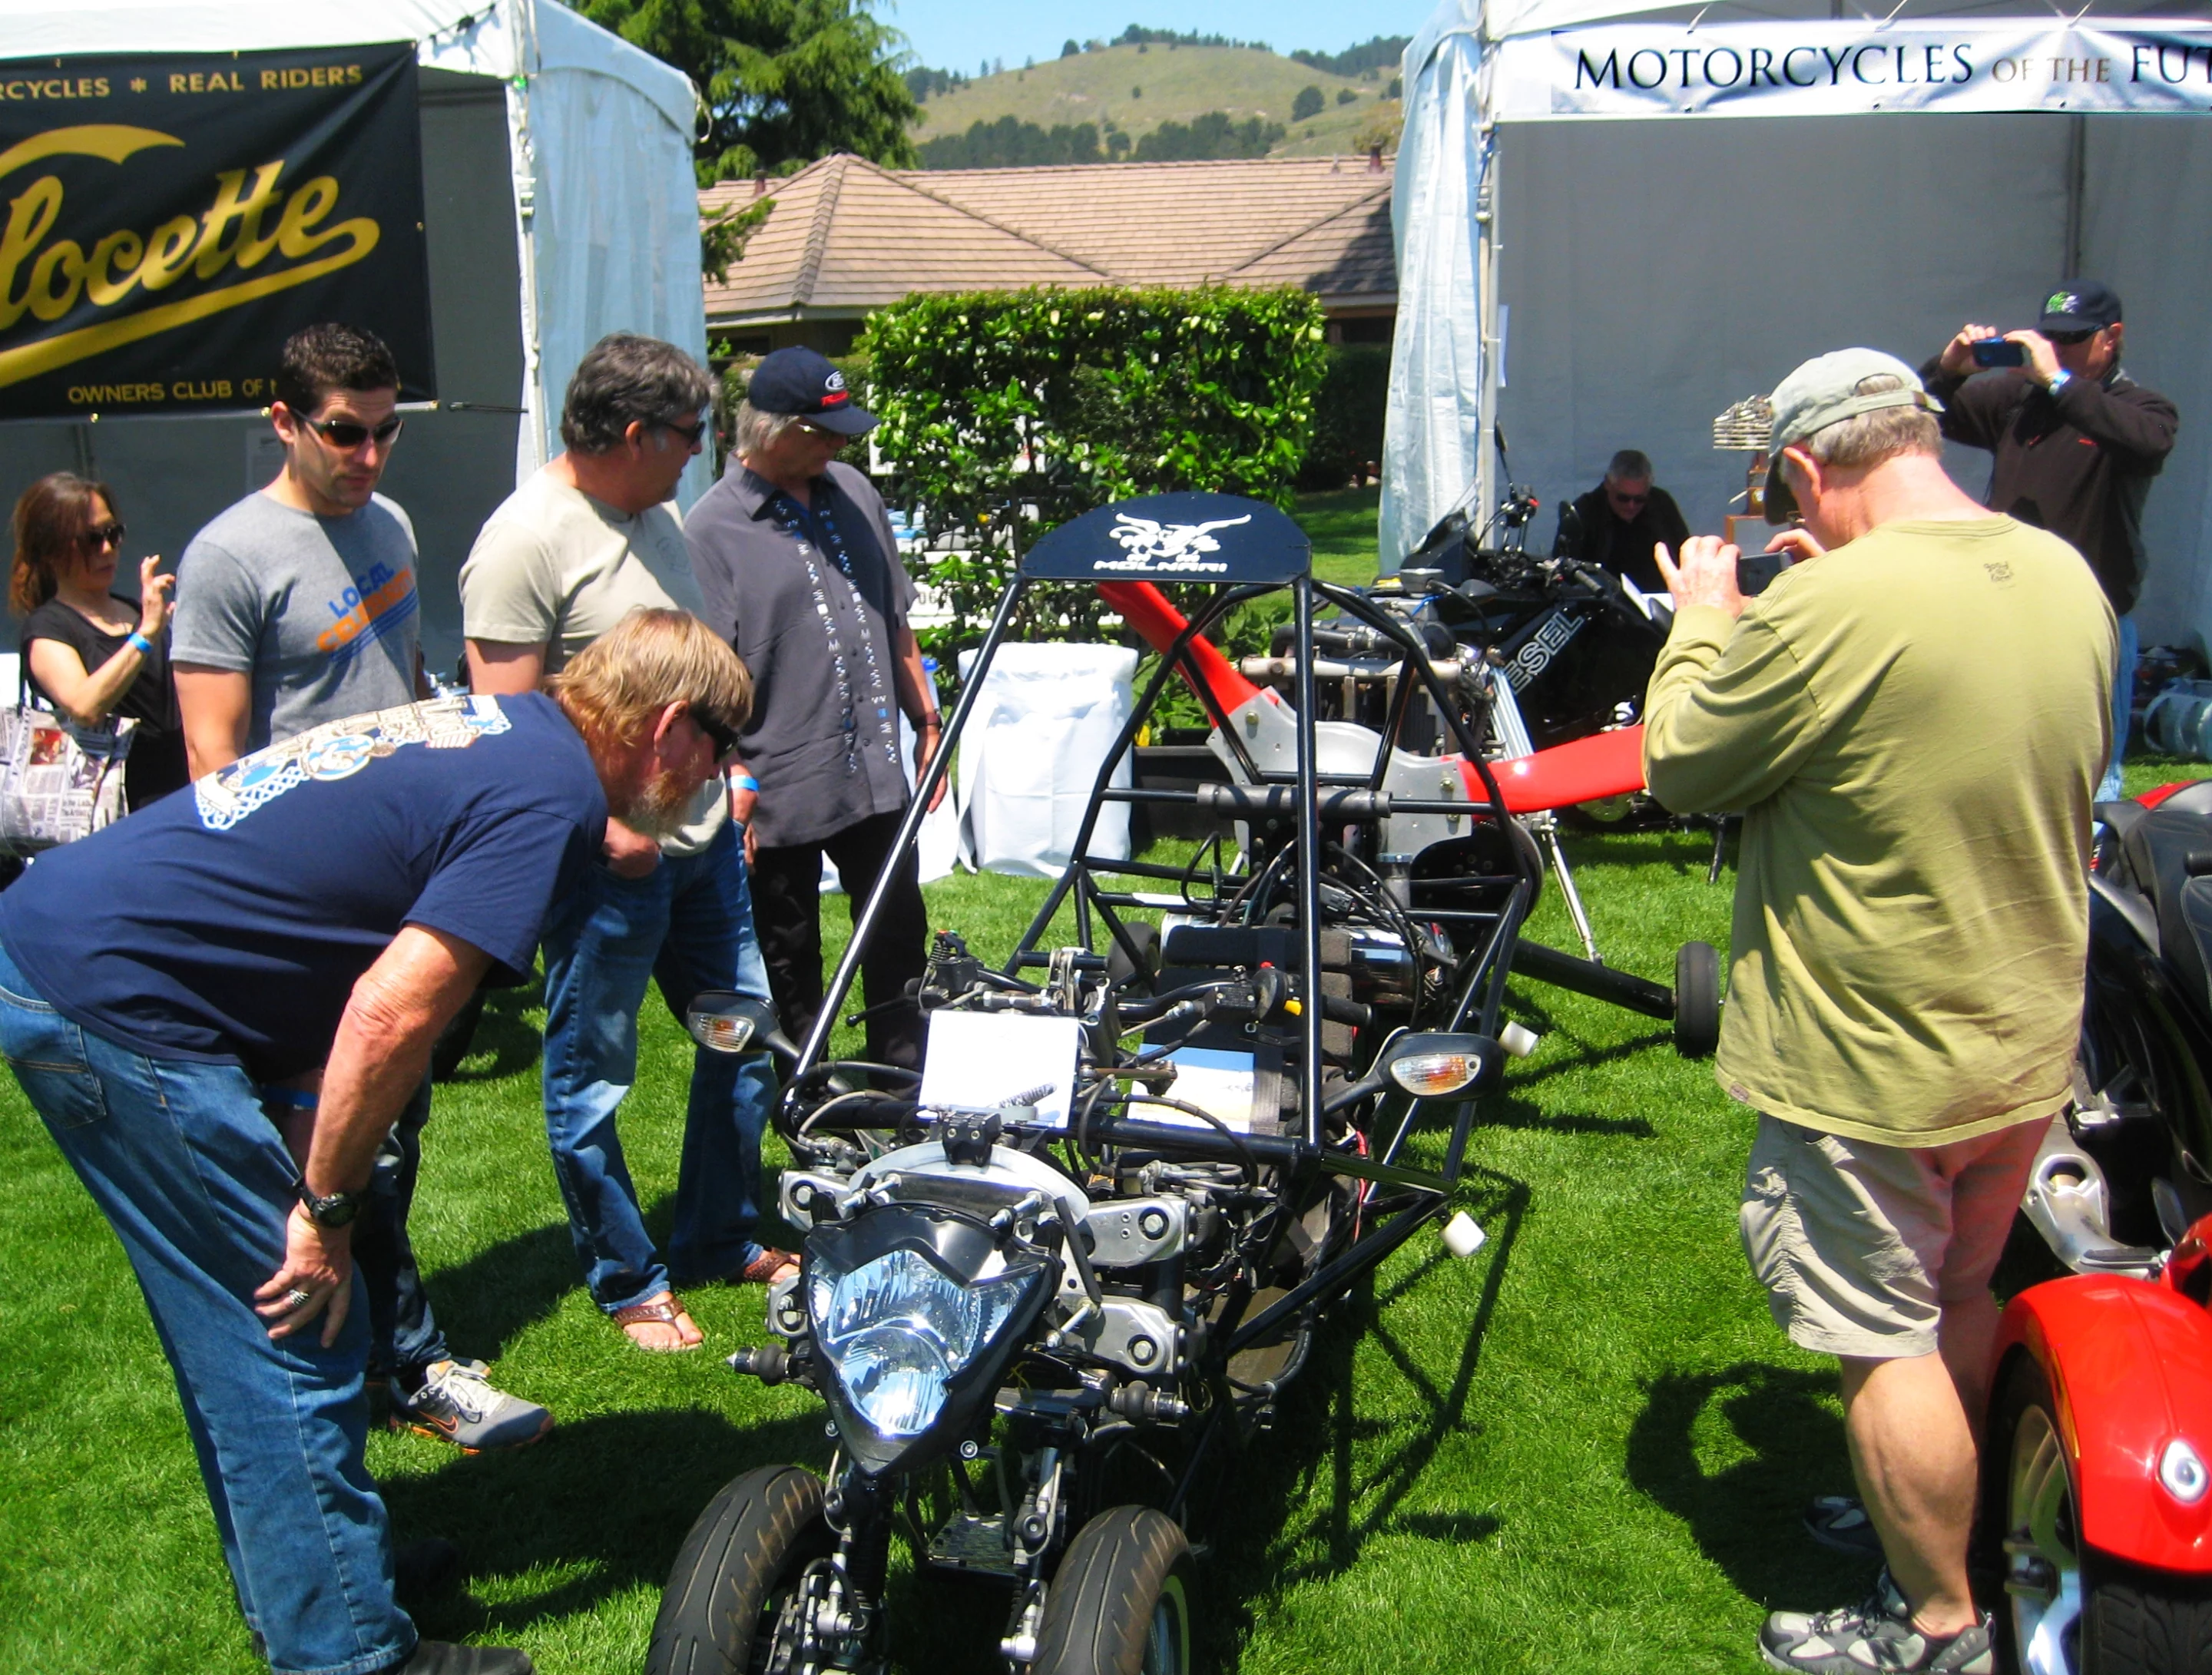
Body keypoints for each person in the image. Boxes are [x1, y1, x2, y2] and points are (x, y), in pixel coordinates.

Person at [0, 608, 752, 1675]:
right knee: (289, 1326)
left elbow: (333, 979)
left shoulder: (509, 730)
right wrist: (326, 1212)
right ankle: (350, 1652)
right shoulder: (549, 795)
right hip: (115, 996)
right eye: (719, 750)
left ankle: (320, 1581)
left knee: (258, 1320)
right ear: (670, 725)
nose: (711, 778)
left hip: (73, 950)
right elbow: (390, 1015)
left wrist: (318, 1180)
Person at [1642, 349, 2111, 1675]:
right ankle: (1941, 1532)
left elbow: (1681, 763)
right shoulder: (2061, 571)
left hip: (1872, 1056)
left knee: (1880, 1336)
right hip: (2020, 1035)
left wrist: (1710, 613)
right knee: (1959, 1288)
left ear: (1805, 470)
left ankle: (1941, 1623)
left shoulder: (1829, 603)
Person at [171, 323, 547, 1453]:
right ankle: (405, 1364)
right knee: (345, 1142)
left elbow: (405, 680)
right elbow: (212, 764)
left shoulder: (390, 525)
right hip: (306, 897)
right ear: (284, 421)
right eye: (346, 432)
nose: (371, 454)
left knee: (395, 1128)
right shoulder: (228, 558)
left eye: (388, 431)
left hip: (406, 870)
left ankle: (377, 1348)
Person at [461, 333, 786, 1354]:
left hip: (702, 849)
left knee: (744, 1041)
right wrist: (607, 832)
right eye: (691, 435)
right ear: (637, 431)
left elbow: (694, 666)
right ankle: (627, 1276)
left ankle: (717, 1235)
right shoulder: (525, 541)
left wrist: (730, 778)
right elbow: (504, 727)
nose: (704, 454)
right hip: (606, 867)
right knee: (592, 1075)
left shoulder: (655, 516)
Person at [684, 347, 945, 1075]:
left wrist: (927, 724)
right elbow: (709, 676)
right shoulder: (711, 530)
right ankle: (809, 1096)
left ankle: (902, 1079)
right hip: (777, 787)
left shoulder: (854, 492)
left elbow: (895, 618)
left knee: (896, 931)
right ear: (770, 429)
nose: (840, 445)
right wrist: (729, 782)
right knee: (789, 954)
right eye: (824, 432)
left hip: (874, 771)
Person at [1921, 281, 2178, 801]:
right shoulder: (2017, 399)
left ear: (2112, 338)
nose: (2058, 349)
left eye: (2074, 339)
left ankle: (2097, 872)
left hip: (2092, 610)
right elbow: (1919, 415)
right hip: (2004, 604)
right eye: (2051, 338)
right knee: (1994, 750)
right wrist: (1947, 371)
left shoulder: (2139, 406)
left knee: (2094, 767)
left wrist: (2058, 381)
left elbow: (2149, 443)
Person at [11, 473, 189, 808]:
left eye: (113, 534)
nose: (107, 549)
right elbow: (85, 706)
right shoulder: (49, 626)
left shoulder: (138, 612)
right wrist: (146, 634)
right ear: (50, 549)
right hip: (115, 809)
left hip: (180, 791)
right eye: (91, 539)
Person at [1552, 448, 1691, 594]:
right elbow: (1563, 568)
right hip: (1603, 604)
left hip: (1657, 601)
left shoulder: (1661, 504)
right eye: (1623, 498)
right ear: (1608, 484)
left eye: (1640, 499)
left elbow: (1684, 553)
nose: (1631, 506)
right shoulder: (1585, 511)